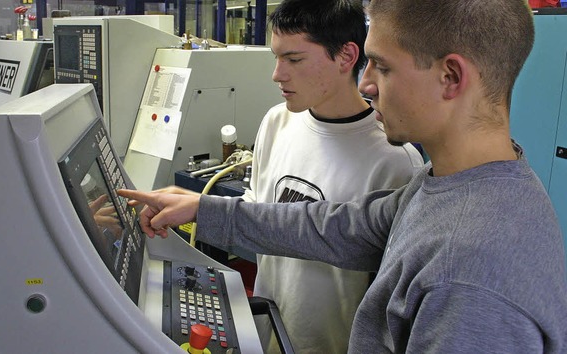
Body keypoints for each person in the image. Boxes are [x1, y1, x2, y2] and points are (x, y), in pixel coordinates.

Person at [119, 0, 567, 352]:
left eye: (383, 67)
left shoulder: (470, 273)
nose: (367, 83)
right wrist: (204, 208)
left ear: (451, 77)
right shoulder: (449, 183)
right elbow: (338, 225)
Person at [243, 0, 423, 352]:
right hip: (269, 333)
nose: (277, 74)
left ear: (345, 56)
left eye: (294, 60)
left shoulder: (395, 161)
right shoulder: (277, 122)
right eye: (276, 58)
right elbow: (256, 215)